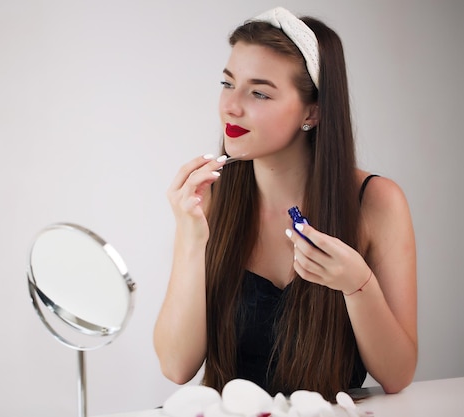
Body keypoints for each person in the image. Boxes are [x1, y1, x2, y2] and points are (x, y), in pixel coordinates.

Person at [153, 7, 417, 401]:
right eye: (228, 84)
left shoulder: (377, 203)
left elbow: (397, 376)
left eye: (258, 92)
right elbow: (176, 366)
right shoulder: (209, 200)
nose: (231, 106)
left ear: (312, 111)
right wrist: (191, 237)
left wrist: (357, 286)